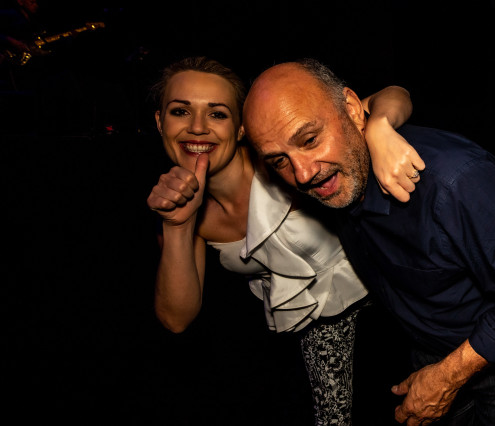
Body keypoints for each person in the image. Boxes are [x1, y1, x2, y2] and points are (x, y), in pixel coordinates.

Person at [242, 58, 495, 425]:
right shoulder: (339, 173)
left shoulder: (454, 181)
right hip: (429, 352)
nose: (302, 173)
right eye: (279, 161)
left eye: (310, 140)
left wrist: (446, 377)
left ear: (353, 110)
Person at [146, 56, 425, 426]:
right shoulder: (177, 210)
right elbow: (176, 320)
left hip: (389, 305)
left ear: (241, 128)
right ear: (160, 122)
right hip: (307, 336)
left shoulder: (282, 159)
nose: (198, 128)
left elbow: (394, 93)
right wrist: (177, 225)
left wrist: (379, 128)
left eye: (217, 114)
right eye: (180, 111)